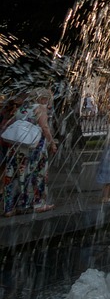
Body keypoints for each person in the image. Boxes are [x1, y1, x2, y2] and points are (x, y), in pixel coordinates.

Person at [2, 87, 58, 216]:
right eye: (47, 99)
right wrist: (52, 143)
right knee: (37, 174)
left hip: (16, 146)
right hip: (34, 147)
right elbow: (44, 126)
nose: (48, 102)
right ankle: (37, 204)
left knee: (14, 175)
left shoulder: (23, 108)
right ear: (42, 98)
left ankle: (9, 208)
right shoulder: (40, 108)